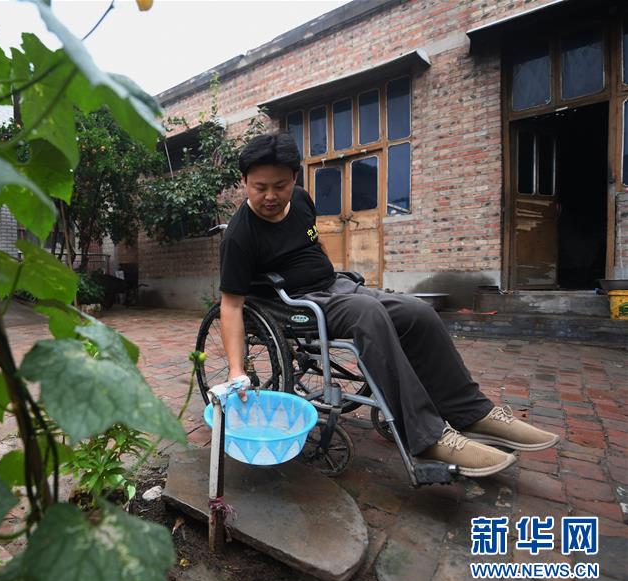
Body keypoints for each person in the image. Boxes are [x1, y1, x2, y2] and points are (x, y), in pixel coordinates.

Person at [218, 133, 558, 477]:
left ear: (294, 178)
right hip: (291, 303)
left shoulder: (302, 201)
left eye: (280, 186)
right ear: (245, 181)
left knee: (418, 312)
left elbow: (312, 242)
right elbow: (231, 306)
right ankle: (427, 436)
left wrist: (326, 270)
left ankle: (472, 412)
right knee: (368, 314)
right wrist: (236, 370)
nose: (271, 196)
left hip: (334, 286)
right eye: (260, 187)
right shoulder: (240, 236)